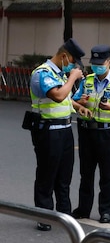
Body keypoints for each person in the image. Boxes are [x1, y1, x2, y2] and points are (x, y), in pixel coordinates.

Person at [27, 38, 90, 231]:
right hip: (47, 131)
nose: (72, 66)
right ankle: (44, 215)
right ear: (64, 56)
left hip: (64, 130)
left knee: (64, 175)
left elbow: (66, 100)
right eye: (72, 62)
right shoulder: (42, 73)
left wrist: (79, 107)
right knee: (47, 174)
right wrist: (72, 78)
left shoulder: (61, 75)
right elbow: (58, 95)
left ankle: (64, 214)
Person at [71, 45, 110, 224]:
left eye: (101, 63)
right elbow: (73, 101)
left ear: (109, 62)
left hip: (106, 133)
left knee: (107, 175)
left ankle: (105, 211)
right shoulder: (87, 80)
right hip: (86, 132)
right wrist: (80, 104)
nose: (97, 67)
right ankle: (83, 209)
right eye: (94, 63)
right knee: (86, 173)